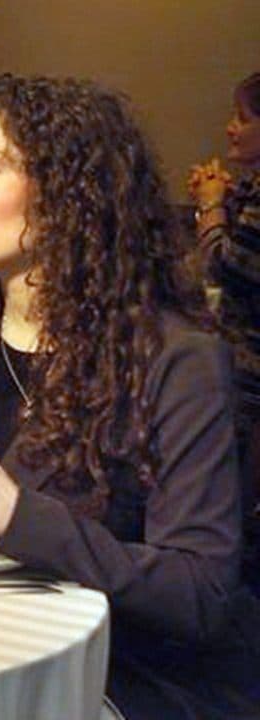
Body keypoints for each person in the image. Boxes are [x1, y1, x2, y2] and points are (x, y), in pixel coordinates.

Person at [0, 74, 260, 719]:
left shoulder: (178, 359)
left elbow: (198, 592)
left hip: (129, 674)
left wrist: (19, 515)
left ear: (69, 193)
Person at [186, 71, 260, 514]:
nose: (231, 128)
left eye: (243, 118)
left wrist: (211, 205)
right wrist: (222, 197)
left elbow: (227, 267)